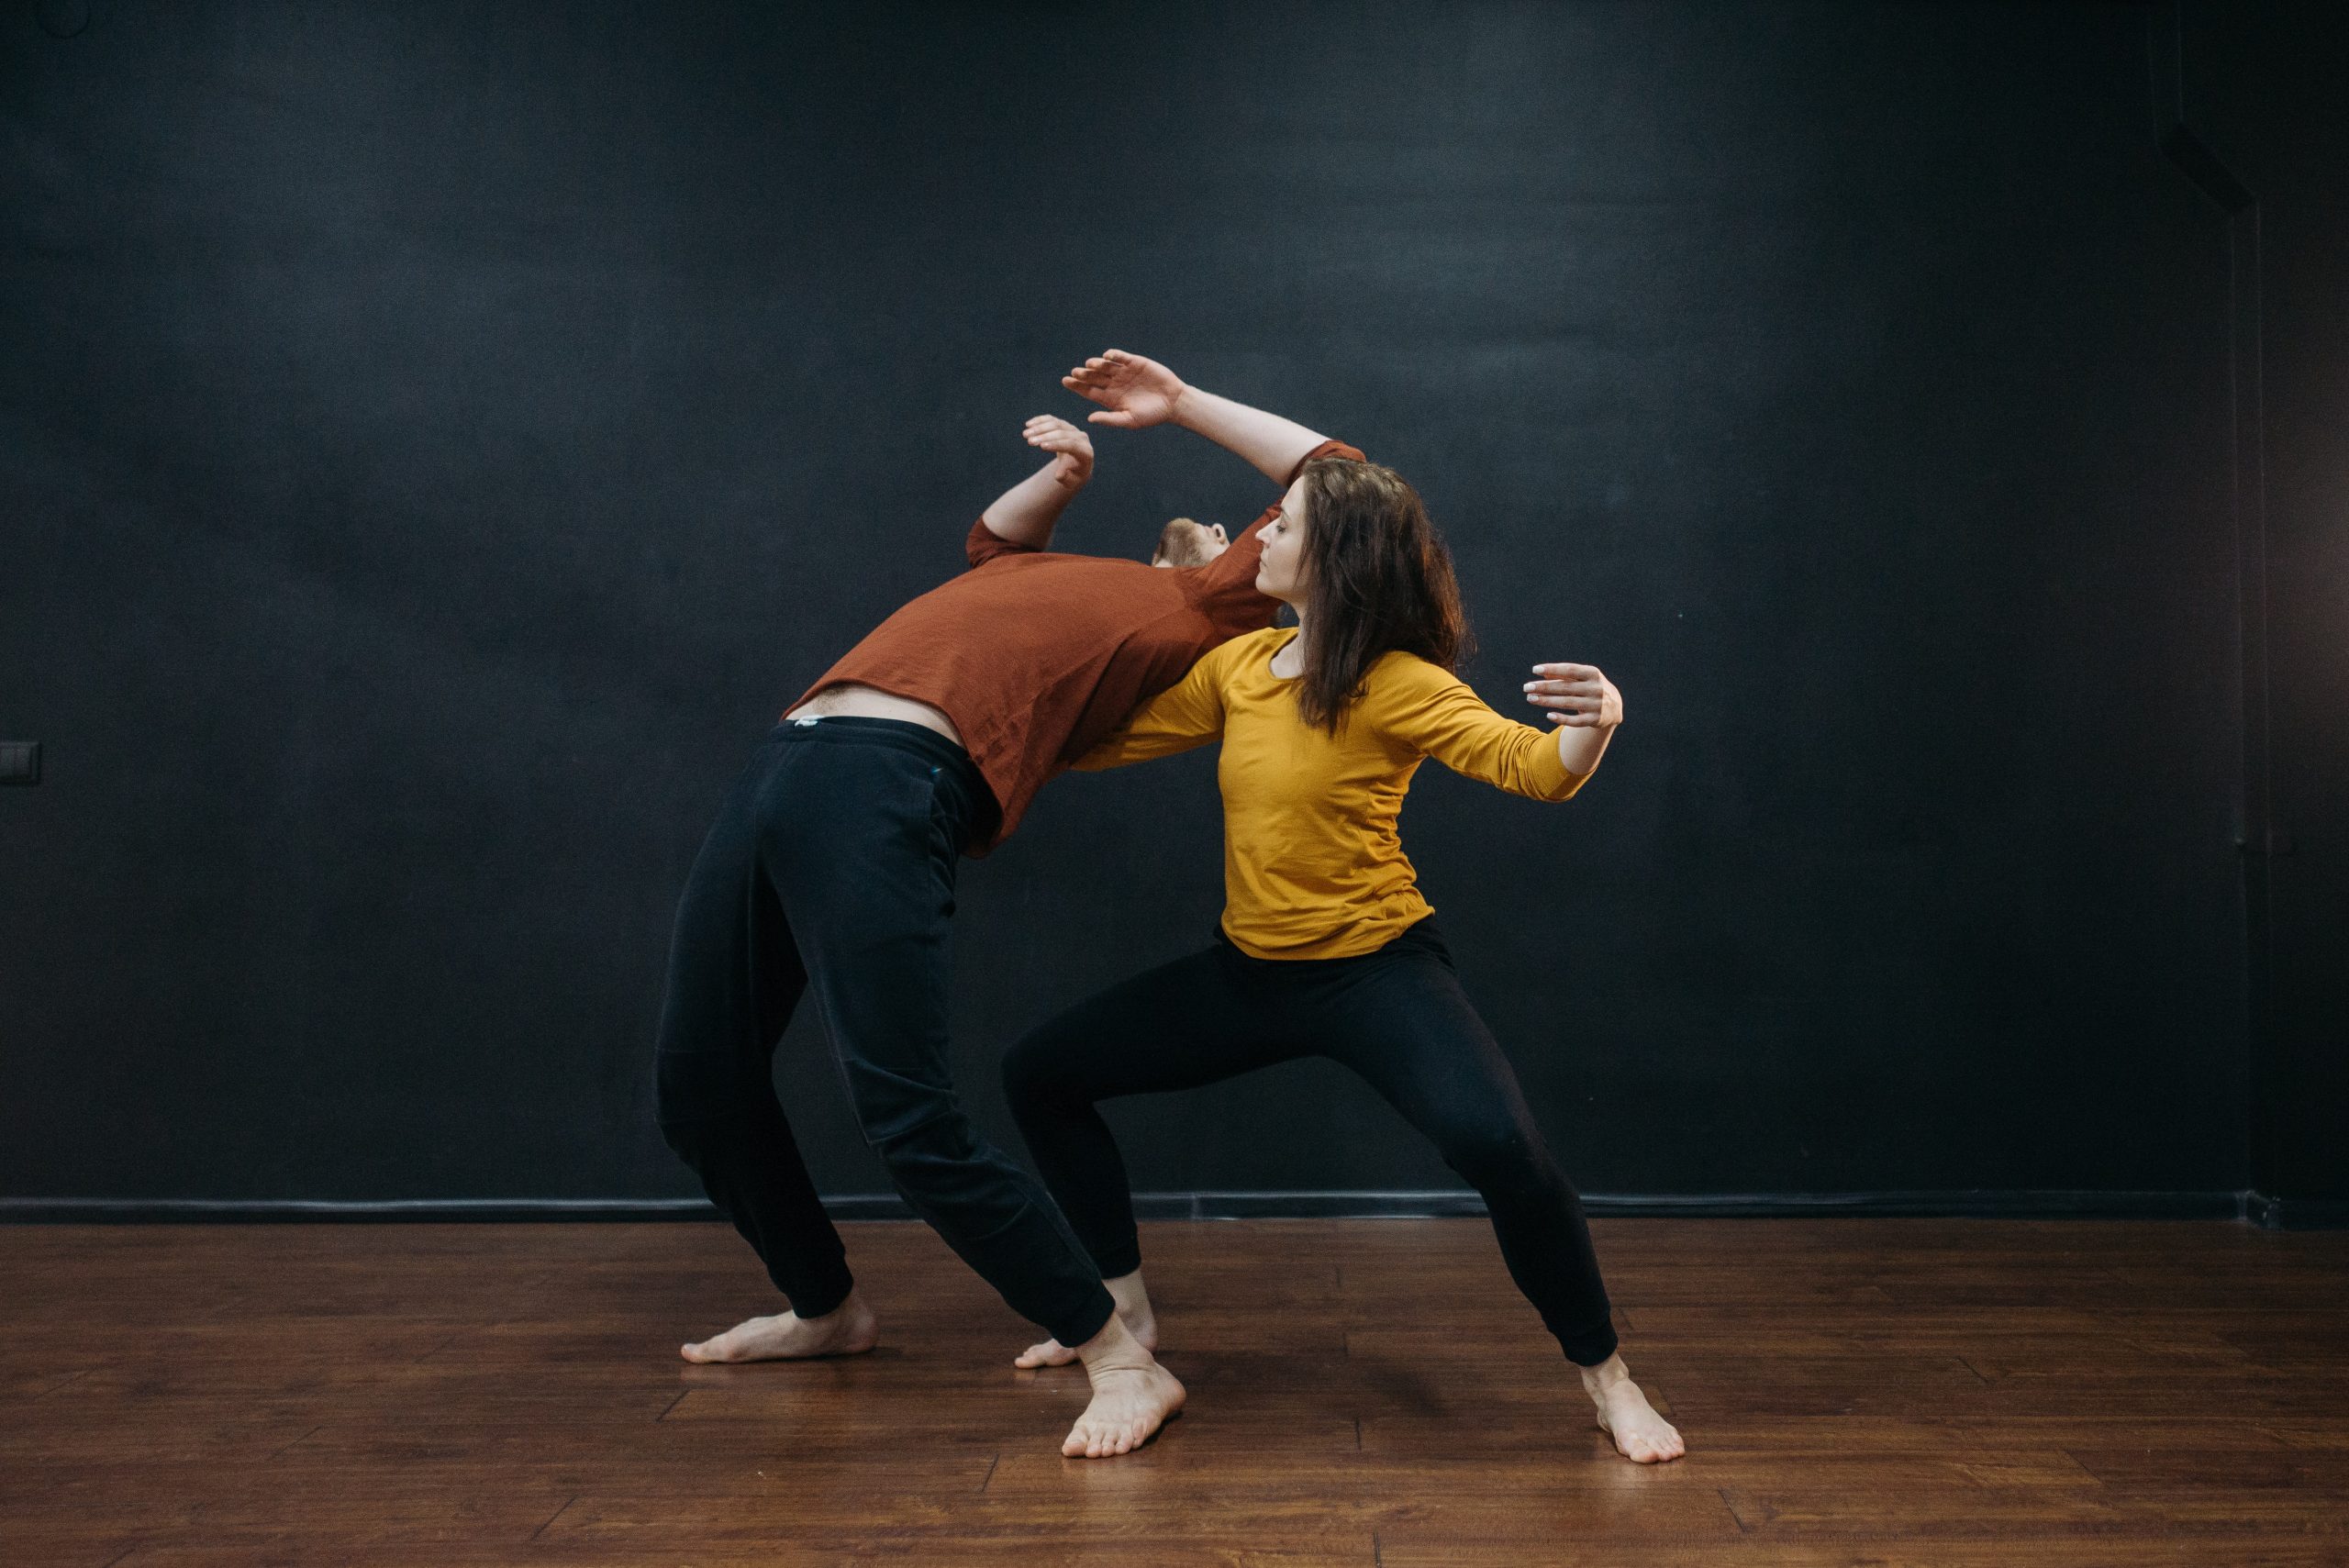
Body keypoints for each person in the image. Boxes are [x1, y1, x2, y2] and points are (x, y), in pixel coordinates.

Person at [652, 350, 1363, 1459]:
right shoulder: (1058, 579)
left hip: (885, 778)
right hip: (787, 763)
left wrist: (1176, 406)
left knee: (910, 1117)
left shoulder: (1203, 608)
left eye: (1271, 535)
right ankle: (824, 1304)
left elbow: (1333, 469)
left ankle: (1122, 1357)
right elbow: (992, 542)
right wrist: (1066, 475)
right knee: (698, 1083)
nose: (1260, 533)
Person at [996, 436, 1687, 1463]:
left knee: (1505, 1152)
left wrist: (1599, 723)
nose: (1263, 532)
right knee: (1039, 1072)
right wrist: (1137, 616)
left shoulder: (1396, 682)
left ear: (1338, 558)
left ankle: (1609, 1379)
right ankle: (1124, 1311)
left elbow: (1534, 767)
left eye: (1285, 524)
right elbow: (1105, 738)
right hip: (1249, 973)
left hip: (1376, 972)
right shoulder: (1239, 667)